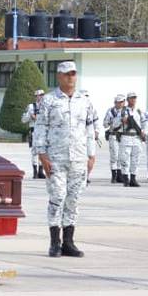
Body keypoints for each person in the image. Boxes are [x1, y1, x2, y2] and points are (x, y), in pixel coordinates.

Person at [32, 61, 97, 259]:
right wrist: (41, 154)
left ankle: (69, 242)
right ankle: (55, 242)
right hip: (56, 158)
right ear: (59, 76)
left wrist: (91, 154)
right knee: (57, 197)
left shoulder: (84, 101)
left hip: (78, 157)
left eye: (74, 74)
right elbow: (40, 128)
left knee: (73, 199)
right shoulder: (49, 101)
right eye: (67, 74)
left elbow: (90, 129)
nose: (71, 77)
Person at [116, 92, 144, 188]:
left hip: (136, 137)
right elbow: (115, 124)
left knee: (135, 159)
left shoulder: (139, 111)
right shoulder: (122, 111)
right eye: (131, 98)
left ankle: (133, 178)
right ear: (127, 100)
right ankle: (125, 178)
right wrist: (121, 120)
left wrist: (144, 131)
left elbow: (145, 122)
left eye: (134, 98)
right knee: (125, 159)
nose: (133, 100)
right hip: (126, 137)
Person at [22, 89, 46, 178]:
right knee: (35, 152)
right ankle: (35, 172)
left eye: (42, 95)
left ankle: (41, 171)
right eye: (39, 95)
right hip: (34, 130)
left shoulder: (47, 106)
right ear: (36, 96)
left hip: (44, 131)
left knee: (43, 152)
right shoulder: (31, 106)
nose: (41, 97)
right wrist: (30, 116)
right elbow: (23, 119)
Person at [102, 94, 124, 183]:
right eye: (118, 102)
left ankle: (120, 175)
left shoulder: (126, 111)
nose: (120, 104)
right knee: (114, 156)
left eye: (122, 102)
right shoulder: (111, 111)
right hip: (114, 135)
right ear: (115, 103)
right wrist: (112, 121)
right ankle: (114, 176)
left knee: (122, 156)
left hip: (123, 136)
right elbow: (105, 124)